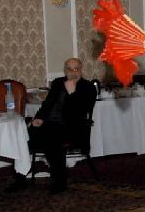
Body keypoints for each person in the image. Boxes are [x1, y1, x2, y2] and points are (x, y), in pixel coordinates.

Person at [21, 58, 97, 194]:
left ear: (81, 70)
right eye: (70, 69)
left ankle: (60, 181)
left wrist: (72, 93)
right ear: (65, 71)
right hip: (49, 124)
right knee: (22, 135)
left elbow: (79, 113)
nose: (73, 72)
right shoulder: (57, 83)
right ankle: (19, 178)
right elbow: (47, 104)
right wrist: (39, 118)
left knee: (51, 137)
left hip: (72, 128)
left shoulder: (88, 87)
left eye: (76, 69)